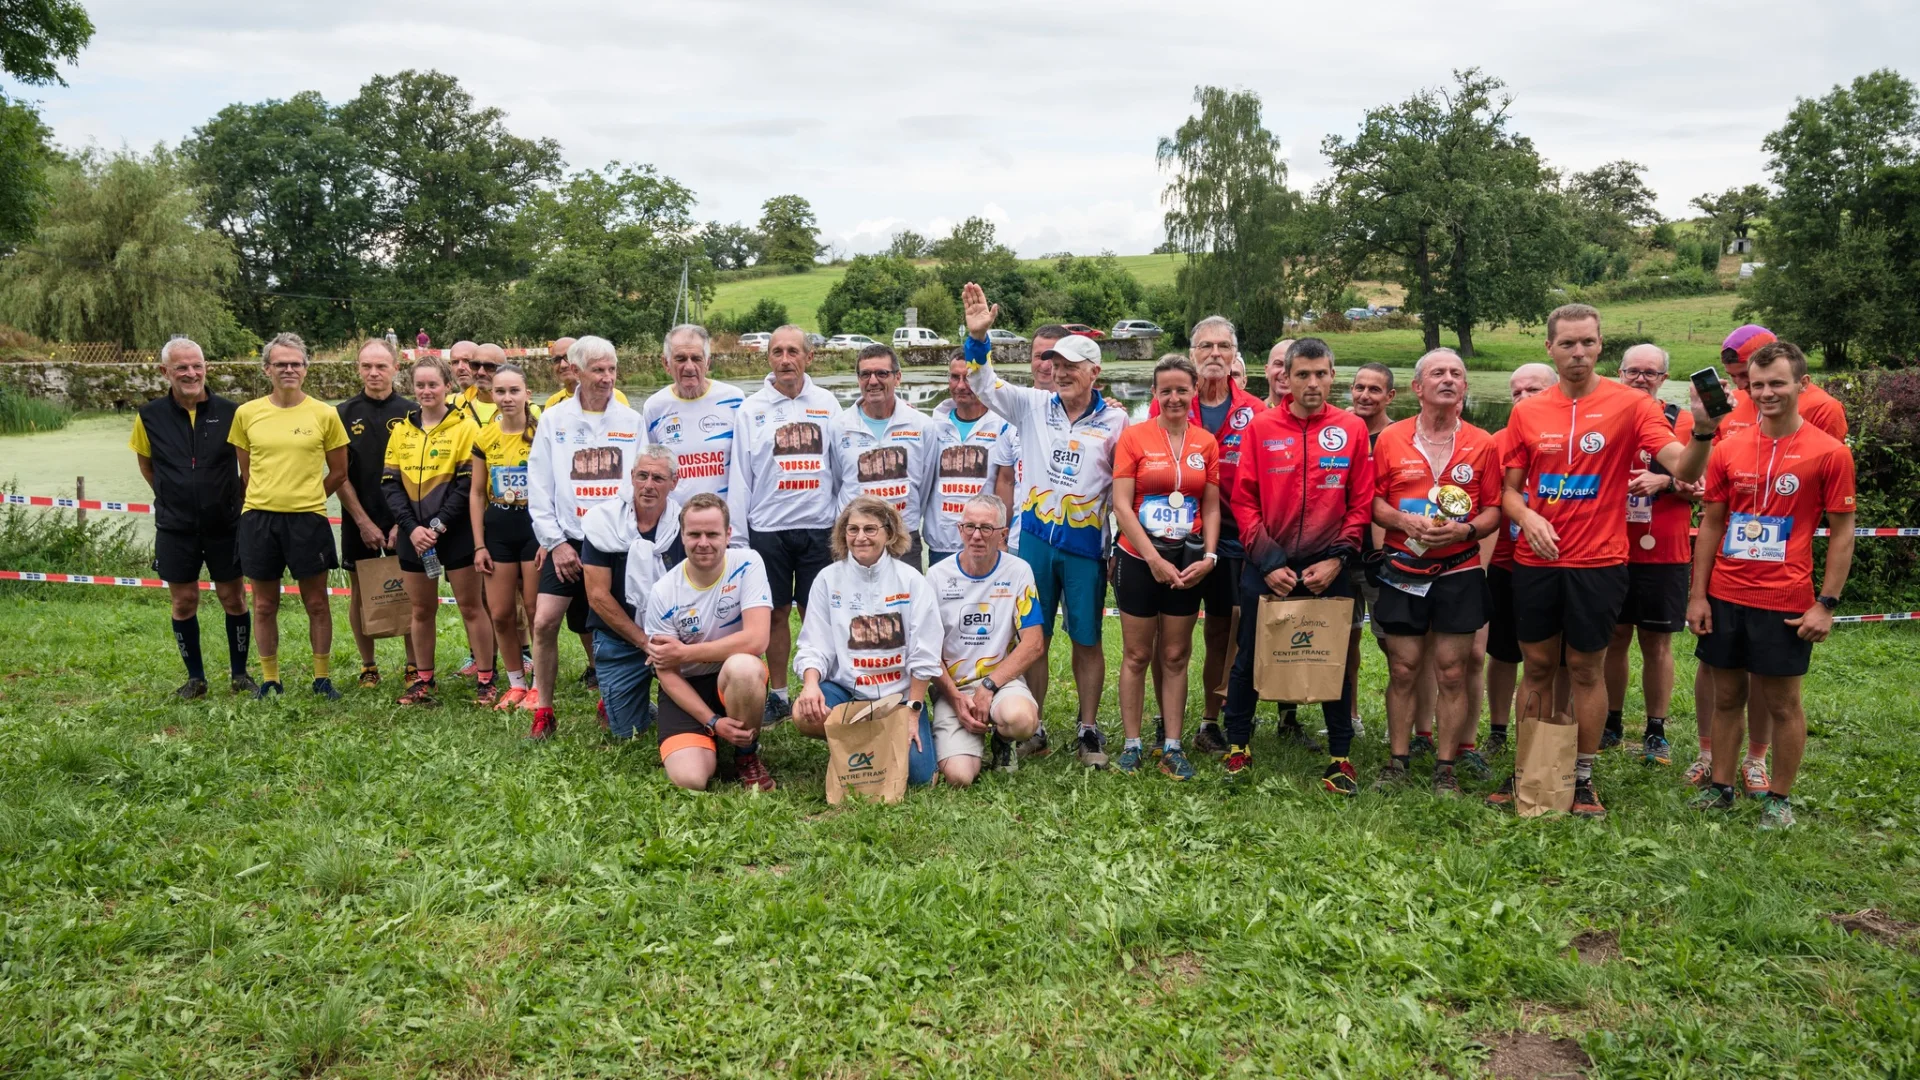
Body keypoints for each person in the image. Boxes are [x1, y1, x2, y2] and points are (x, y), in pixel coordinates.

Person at [1491, 304, 1720, 818]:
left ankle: (1582, 780)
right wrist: (1528, 519)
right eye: (1567, 344)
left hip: (1599, 562)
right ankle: (1528, 768)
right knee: (1539, 667)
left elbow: (1682, 468)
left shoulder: (1631, 405)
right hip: (1537, 560)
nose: (1578, 353)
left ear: (1601, 346)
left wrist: (1702, 431)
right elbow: (1508, 492)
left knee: (1586, 669)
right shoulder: (1527, 411)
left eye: (1588, 343)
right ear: (1548, 348)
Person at [1687, 341, 1854, 830]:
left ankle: (1778, 798)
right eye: (1757, 385)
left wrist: (1826, 604)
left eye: (1777, 383)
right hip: (1726, 594)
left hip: (1784, 599)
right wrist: (1698, 594)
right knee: (1725, 697)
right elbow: (1712, 525)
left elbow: (1843, 532)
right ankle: (1720, 787)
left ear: (1802, 385)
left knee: (1783, 703)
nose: (1765, 393)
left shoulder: (1829, 452)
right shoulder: (1729, 446)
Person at [961, 283, 1129, 769]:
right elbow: (982, 384)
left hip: (1084, 548)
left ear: (1095, 372)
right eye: (1055, 365)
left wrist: (1119, 546)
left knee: (1087, 638)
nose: (1060, 372)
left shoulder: (1117, 422)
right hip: (1034, 543)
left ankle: (1089, 728)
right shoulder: (1032, 406)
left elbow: (1124, 490)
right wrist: (977, 341)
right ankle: (1030, 728)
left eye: (1072, 366)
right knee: (1032, 636)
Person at [1220, 338, 1372, 792]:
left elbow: (1360, 503)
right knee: (1249, 656)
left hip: (1329, 565)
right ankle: (1238, 746)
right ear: (1285, 377)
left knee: (1333, 659)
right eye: (1302, 374)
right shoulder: (1262, 428)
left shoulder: (1351, 429)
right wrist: (1267, 561)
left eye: (1321, 374)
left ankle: (1340, 757)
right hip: (1268, 564)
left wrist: (1337, 559)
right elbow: (1243, 500)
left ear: (1332, 375)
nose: (1312, 383)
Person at [1368, 348, 1504, 796]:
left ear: (1464, 388)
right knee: (1404, 668)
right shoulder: (1390, 439)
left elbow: (1493, 511)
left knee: (1452, 671)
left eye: (1457, 374)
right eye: (1438, 373)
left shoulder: (1483, 443)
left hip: (1459, 570)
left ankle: (1446, 768)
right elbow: (1374, 501)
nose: (1448, 379)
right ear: (1417, 388)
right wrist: (1405, 522)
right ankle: (1398, 760)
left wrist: (1464, 528)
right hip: (1403, 568)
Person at [525, 335, 646, 738]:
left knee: (610, 627)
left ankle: (608, 697)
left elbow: (640, 481)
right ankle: (544, 708)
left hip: (615, 541)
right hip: (568, 539)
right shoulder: (553, 420)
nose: (607, 377)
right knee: (544, 622)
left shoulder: (631, 421)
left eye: (612, 369)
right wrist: (554, 543)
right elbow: (539, 486)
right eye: (598, 370)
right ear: (575, 372)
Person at [1111, 354, 1219, 780]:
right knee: (1138, 654)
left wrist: (1209, 557)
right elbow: (1122, 505)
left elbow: (1211, 507)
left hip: (1186, 562)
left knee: (1175, 655)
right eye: (1165, 390)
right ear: (1154, 394)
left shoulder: (1205, 442)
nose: (1174, 397)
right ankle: (1133, 744)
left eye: (1182, 389)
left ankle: (1173, 745)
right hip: (1139, 558)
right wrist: (1152, 559)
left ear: (1194, 392)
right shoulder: (1135, 438)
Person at [727, 324, 842, 726]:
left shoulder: (828, 404)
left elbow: (841, 468)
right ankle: (777, 694)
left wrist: (842, 526)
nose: (785, 359)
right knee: (774, 613)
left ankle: (822, 688)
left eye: (793, 351)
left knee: (817, 613)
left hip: (819, 526)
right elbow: (739, 475)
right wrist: (739, 539)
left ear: (809, 357)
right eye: (777, 352)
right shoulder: (751, 408)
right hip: (768, 528)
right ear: (769, 358)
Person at [1162, 317, 1265, 755]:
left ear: (1235, 353)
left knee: (1224, 632)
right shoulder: (1168, 403)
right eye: (1206, 346)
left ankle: (1210, 721)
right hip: (1177, 533)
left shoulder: (1256, 410)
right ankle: (1164, 720)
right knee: (1170, 636)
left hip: (1233, 538)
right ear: (1193, 353)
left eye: (1224, 345)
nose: (1215, 354)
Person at [790, 496, 944, 787]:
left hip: (899, 699)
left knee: (920, 778)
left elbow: (926, 653)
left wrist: (913, 711)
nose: (860, 537)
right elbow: (814, 644)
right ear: (843, 534)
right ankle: (855, 741)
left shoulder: (911, 580)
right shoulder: (827, 579)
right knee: (803, 714)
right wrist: (810, 684)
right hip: (847, 693)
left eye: (870, 529)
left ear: (889, 533)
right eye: (852, 529)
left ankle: (903, 733)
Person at [131, 336, 253, 698]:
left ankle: (240, 674)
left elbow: (248, 468)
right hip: (176, 527)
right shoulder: (149, 416)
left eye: (197, 365)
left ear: (206, 368)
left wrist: (233, 501)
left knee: (234, 599)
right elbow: (146, 465)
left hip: (225, 525)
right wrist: (174, 496)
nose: (190, 373)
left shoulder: (232, 412)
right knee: (184, 601)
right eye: (181, 367)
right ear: (164, 371)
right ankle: (195, 678)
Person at [228, 333, 349, 700]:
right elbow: (246, 472)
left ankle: (322, 677)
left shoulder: (325, 414)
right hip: (259, 521)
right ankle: (270, 679)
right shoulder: (247, 413)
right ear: (267, 369)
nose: (289, 369)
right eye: (281, 364)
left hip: (307, 520)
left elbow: (339, 471)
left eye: (296, 363)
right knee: (264, 604)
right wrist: (269, 498)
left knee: (317, 603)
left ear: (306, 369)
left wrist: (308, 497)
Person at [626, 494, 774, 791]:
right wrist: (712, 721)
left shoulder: (748, 562)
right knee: (691, 779)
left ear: (728, 534)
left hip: (729, 680)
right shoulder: (663, 591)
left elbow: (757, 639)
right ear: (682, 536)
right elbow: (667, 672)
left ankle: (746, 755)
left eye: (712, 534)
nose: (703, 542)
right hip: (687, 686)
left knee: (745, 667)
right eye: (694, 534)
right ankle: (715, 734)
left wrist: (685, 652)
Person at [1603, 344, 1698, 767]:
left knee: (1657, 643)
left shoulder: (1687, 423)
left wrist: (1663, 483)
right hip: (1610, 546)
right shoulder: (1605, 417)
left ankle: (1656, 730)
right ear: (1619, 374)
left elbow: (1710, 486)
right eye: (1633, 372)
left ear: (1664, 378)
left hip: (1665, 549)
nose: (1641, 378)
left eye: (1651, 373)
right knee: (1614, 640)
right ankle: (1611, 721)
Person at [382, 356, 496, 706]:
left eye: (434, 384)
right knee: (421, 610)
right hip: (414, 536)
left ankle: (486, 680)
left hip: (455, 531)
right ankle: (423, 680)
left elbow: (467, 485)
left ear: (447, 386)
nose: (427, 391)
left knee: (471, 607)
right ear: (413, 388)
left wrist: (437, 525)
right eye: (420, 385)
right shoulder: (400, 430)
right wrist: (412, 528)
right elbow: (389, 484)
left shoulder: (465, 428)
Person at [926, 494, 1044, 785]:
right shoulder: (936, 577)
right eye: (969, 527)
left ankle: (1003, 741)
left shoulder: (1019, 571)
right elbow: (926, 650)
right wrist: (955, 699)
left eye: (986, 528)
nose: (976, 536)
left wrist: (990, 686)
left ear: (1003, 534)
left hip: (1000, 682)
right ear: (959, 530)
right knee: (960, 777)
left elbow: (1034, 642)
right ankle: (954, 731)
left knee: (1022, 720)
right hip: (954, 687)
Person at [1484, 363, 1561, 755]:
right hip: (1505, 561)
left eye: (1533, 389)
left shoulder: (1569, 438)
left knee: (1557, 658)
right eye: (1516, 392)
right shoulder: (1495, 441)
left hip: (1559, 564)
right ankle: (1498, 731)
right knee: (1502, 652)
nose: (1524, 398)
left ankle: (1556, 731)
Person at [337, 338, 419, 687]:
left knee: (412, 590)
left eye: (381, 366)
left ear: (395, 368)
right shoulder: (341, 413)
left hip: (407, 519)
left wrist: (405, 520)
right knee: (360, 591)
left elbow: (420, 474)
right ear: (358, 368)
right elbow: (338, 475)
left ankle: (414, 665)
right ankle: (368, 665)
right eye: (366, 366)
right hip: (360, 519)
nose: (373, 373)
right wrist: (362, 521)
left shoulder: (413, 411)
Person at [471, 362, 544, 711]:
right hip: (498, 528)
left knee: (533, 610)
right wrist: (479, 544)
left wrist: (550, 538)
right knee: (500, 613)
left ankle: (540, 686)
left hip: (534, 529)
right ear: (492, 394)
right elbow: (475, 494)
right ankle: (516, 682)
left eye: (514, 390)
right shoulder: (485, 436)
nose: (507, 398)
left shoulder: (543, 430)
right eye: (500, 391)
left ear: (527, 393)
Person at [830, 344, 938, 566]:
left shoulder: (922, 425)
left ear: (897, 377)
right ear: (858, 379)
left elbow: (924, 485)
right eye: (865, 374)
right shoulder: (839, 426)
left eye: (882, 373)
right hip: (856, 540)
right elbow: (836, 481)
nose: (873, 381)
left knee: (905, 600)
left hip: (903, 537)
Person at [642, 324, 744, 535]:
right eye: (680, 359)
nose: (689, 367)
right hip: (675, 526)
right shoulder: (654, 407)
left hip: (724, 524)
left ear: (707, 362)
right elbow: (652, 469)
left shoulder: (735, 400)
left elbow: (747, 467)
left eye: (696, 358)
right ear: (666, 363)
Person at [1344, 361, 1398, 748]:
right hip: (1339, 554)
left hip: (1382, 557)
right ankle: (1349, 717)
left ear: (1390, 396)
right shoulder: (1339, 432)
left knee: (1393, 642)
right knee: (1343, 641)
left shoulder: (1399, 438)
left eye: (1374, 389)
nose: (1364, 395)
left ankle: (1404, 717)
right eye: (1359, 387)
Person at [926, 352, 1012, 567]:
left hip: (984, 542)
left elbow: (1006, 484)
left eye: (970, 378)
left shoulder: (1004, 425)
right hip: (942, 544)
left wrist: (1001, 536)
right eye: (955, 377)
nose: (961, 386)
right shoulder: (930, 426)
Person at [989, 323, 1065, 565]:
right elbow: (1006, 480)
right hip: (1023, 539)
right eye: (1038, 356)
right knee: (1027, 604)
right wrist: (1001, 535)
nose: (1045, 365)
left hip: (1075, 541)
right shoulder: (1012, 412)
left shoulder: (1097, 413)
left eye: (1052, 356)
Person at [545, 335, 631, 410]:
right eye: (556, 360)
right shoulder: (552, 403)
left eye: (568, 357)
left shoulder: (615, 397)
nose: (562, 365)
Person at [1263, 339, 1294, 410]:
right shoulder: (1249, 414)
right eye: (1278, 364)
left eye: (1292, 366)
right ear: (1266, 370)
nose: (1285, 372)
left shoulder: (1314, 417)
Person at [448, 340, 478, 407]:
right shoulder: (445, 404)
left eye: (467, 361)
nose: (460, 367)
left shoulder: (499, 402)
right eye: (455, 362)